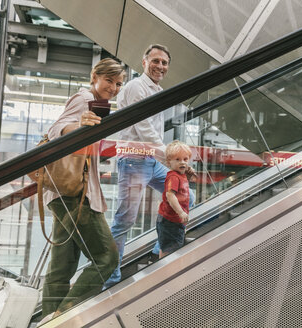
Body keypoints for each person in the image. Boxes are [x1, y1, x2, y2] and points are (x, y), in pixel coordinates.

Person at [40, 58, 124, 323]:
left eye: (119, 83)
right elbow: (55, 130)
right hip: (77, 195)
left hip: (62, 194)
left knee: (61, 267)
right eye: (109, 80)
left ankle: (48, 318)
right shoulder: (84, 98)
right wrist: (77, 126)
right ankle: (65, 318)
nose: (114, 87)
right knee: (107, 258)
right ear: (95, 76)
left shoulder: (98, 106)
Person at [104, 44, 195, 287]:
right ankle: (109, 279)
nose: (160, 66)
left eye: (164, 63)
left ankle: (159, 249)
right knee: (124, 221)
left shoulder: (156, 89)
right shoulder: (136, 87)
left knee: (189, 195)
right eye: (155, 61)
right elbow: (144, 129)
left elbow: (153, 131)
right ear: (144, 62)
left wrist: (171, 161)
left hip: (151, 160)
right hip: (134, 159)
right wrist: (171, 156)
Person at [156, 141, 192, 258]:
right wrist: (181, 212)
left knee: (168, 247)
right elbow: (170, 195)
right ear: (168, 162)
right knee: (169, 250)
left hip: (173, 220)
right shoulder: (173, 177)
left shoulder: (180, 174)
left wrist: (189, 172)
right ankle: (164, 271)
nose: (182, 162)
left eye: (185, 159)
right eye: (177, 159)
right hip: (170, 221)